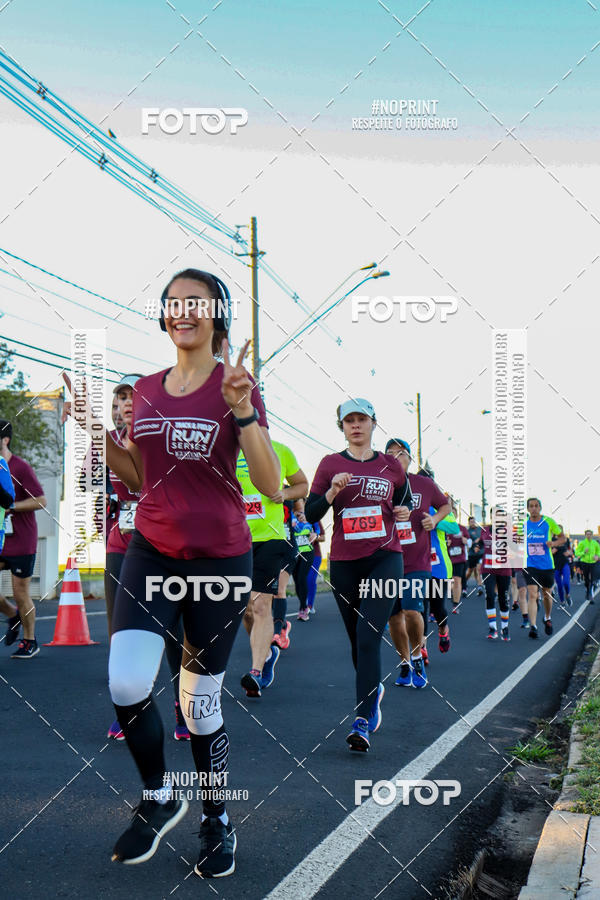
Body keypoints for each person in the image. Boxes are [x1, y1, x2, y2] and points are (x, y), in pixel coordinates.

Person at [64, 268, 280, 878]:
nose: (183, 311)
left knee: (200, 706)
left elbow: (266, 484)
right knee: (128, 683)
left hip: (220, 559)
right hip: (150, 551)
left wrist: (242, 411)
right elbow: (137, 477)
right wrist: (97, 430)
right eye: (173, 303)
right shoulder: (148, 390)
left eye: (196, 302)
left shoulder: (236, 385)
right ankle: (161, 796)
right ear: (164, 317)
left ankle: (218, 819)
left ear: (217, 313)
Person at [305, 401, 411, 751]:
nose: (355, 425)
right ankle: (373, 689)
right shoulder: (329, 464)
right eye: (348, 421)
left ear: (373, 423)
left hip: (385, 557)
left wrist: (404, 511)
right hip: (345, 561)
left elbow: (406, 502)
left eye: (361, 419)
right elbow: (311, 513)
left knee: (368, 635)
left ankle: (362, 719)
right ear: (342, 426)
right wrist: (332, 491)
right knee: (356, 639)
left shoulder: (390, 465)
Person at [104, 376, 189, 742]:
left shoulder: (167, 439)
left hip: (162, 548)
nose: (125, 403)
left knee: (173, 633)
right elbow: (97, 487)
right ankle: (128, 711)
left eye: (132, 396)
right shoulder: (105, 441)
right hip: (121, 544)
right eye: (120, 397)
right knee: (120, 631)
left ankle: (182, 707)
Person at [236, 440, 307, 695]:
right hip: (235, 539)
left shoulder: (280, 450)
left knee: (260, 604)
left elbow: (302, 485)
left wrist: (285, 494)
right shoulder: (224, 449)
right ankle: (266, 655)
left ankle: (256, 672)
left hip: (270, 539)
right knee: (245, 611)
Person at [384, 440, 451, 690]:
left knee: (413, 610)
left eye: (400, 453)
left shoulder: (423, 483)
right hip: (387, 561)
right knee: (394, 617)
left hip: (417, 560)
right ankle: (405, 663)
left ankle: (417, 657)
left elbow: (446, 505)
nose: (394, 457)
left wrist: (434, 519)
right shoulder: (380, 486)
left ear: (410, 458)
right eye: (389, 453)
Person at [0, 420, 47, 658]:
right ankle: (12, 615)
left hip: (21, 539)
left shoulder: (20, 467)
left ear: (5, 440)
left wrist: (12, 507)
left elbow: (41, 500)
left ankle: (30, 641)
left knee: (21, 591)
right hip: (0, 539)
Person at [524, 497, 565, 639]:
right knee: (533, 594)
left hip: (547, 565)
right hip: (530, 565)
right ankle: (533, 626)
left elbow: (562, 538)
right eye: (531, 506)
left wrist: (553, 544)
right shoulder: (523, 525)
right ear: (528, 509)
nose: (534, 508)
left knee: (546, 595)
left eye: (536, 506)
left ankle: (547, 618)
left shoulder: (549, 522)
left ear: (540, 508)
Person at [428, 494, 459, 652]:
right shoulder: (406, 506)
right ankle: (420, 649)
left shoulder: (438, 509)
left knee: (437, 608)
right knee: (415, 610)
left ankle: (443, 630)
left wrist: (433, 520)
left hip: (438, 566)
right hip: (413, 564)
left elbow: (454, 528)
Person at [480, 510, 513, 640]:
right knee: (489, 595)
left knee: (503, 599)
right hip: (487, 568)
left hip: (504, 569)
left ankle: (505, 628)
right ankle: (493, 628)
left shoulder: (509, 531)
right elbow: (480, 542)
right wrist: (477, 546)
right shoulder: (484, 530)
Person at [291, 501, 316, 621]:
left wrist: (314, 535)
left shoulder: (312, 516)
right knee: (296, 580)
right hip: (295, 553)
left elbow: (318, 533)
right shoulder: (289, 516)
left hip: (307, 552)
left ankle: (303, 608)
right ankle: (303, 604)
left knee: (302, 577)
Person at [448, 506, 470, 613]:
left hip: (459, 559)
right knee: (448, 582)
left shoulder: (462, 528)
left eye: (453, 513)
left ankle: (455, 605)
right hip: (446, 559)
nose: (451, 515)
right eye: (449, 513)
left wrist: (466, 541)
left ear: (456, 515)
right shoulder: (443, 527)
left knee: (457, 580)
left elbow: (470, 542)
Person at [574, 530, 600, 602]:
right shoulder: (582, 543)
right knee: (586, 579)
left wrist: (597, 556)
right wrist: (584, 552)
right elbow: (577, 553)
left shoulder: (595, 543)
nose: (589, 535)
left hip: (593, 563)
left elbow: (598, 551)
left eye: (590, 534)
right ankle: (588, 589)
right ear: (585, 535)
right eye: (587, 534)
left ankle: (590, 594)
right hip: (584, 562)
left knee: (592, 578)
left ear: (592, 535)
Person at [306, 518, 324, 614]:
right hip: (300, 555)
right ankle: (304, 601)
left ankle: (310, 605)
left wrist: (314, 537)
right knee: (302, 580)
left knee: (311, 579)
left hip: (315, 555)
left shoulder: (314, 518)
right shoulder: (294, 519)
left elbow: (323, 537)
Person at [552, 526, 573, 607]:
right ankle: (562, 602)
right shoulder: (551, 540)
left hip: (565, 563)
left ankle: (567, 595)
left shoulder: (566, 540)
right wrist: (555, 549)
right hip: (556, 565)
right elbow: (550, 552)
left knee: (566, 582)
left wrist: (569, 553)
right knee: (559, 585)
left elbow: (570, 550)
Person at [465, 516, 484, 595]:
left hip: (480, 553)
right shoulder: (467, 531)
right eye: (471, 522)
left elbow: (483, 539)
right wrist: (473, 542)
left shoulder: (480, 529)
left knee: (479, 569)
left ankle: (479, 587)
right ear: (469, 523)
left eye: (474, 521)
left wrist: (479, 541)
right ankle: (463, 583)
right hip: (472, 554)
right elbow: (467, 543)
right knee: (470, 571)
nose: (473, 523)